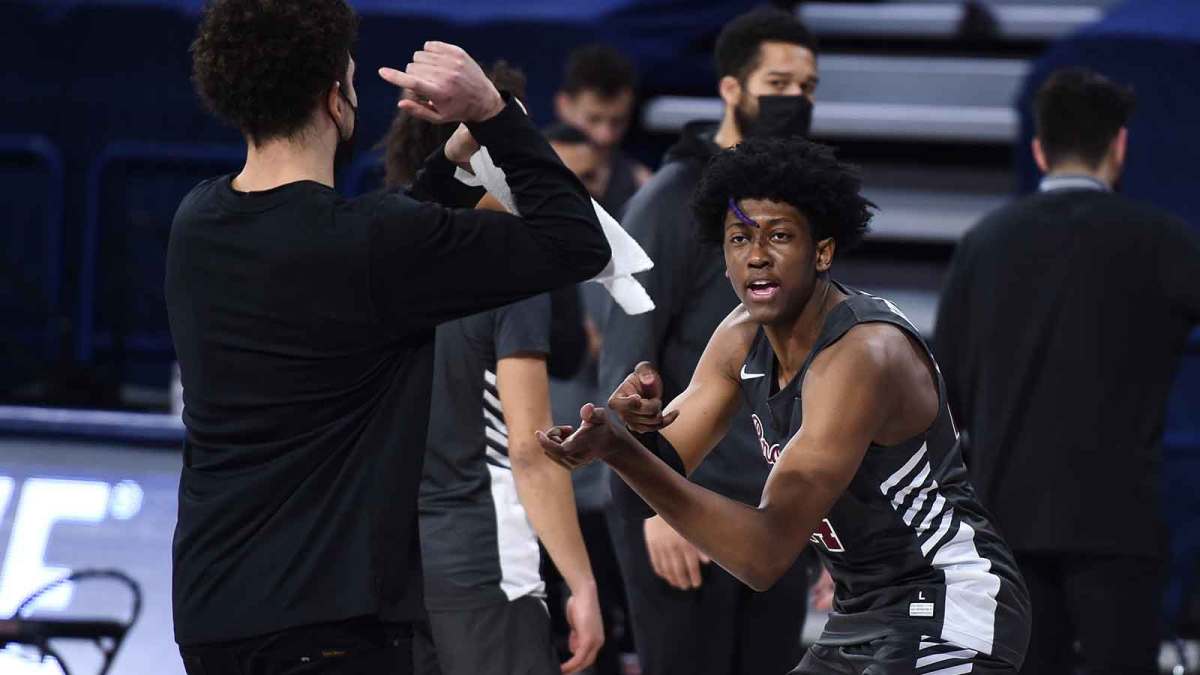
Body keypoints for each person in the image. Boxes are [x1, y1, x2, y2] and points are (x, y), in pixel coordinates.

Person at [167, 1, 609, 672]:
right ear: (335, 101)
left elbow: (366, 247)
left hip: (211, 611)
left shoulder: (197, 218)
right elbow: (577, 242)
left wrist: (453, 167)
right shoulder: (373, 244)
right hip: (328, 622)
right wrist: (494, 114)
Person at [541, 137, 1032, 674]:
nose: (756, 256)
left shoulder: (863, 356)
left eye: (778, 236)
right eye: (738, 238)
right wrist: (629, 439)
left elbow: (763, 555)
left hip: (948, 601)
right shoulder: (738, 336)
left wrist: (626, 455)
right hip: (860, 610)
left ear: (821, 251)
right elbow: (643, 494)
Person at [934, 67, 1200, 675]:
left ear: (1038, 149)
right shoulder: (1161, 240)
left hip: (1007, 526)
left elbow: (944, 392)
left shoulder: (983, 243)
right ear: (1119, 146)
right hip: (1120, 526)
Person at [598, 8, 820, 675]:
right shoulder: (667, 202)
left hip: (776, 514)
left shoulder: (801, 208)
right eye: (779, 82)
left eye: (809, 87)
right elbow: (624, 371)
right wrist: (653, 512)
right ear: (731, 88)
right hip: (682, 512)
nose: (797, 100)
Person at [554, 44, 652, 215]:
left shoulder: (643, 185)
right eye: (593, 119)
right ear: (564, 106)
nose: (605, 136)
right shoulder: (521, 172)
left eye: (617, 122)